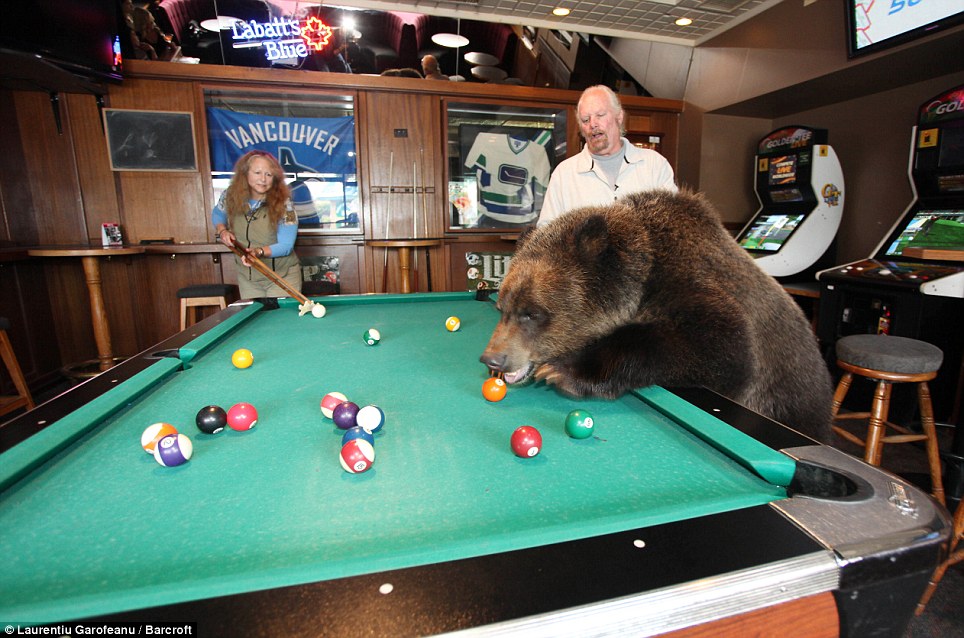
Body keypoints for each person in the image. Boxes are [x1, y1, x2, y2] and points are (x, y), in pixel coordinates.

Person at [538, 85, 677, 226]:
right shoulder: (564, 175)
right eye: (585, 120)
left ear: (619, 117)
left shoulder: (654, 165)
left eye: (600, 115)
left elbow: (674, 225)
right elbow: (545, 235)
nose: (593, 124)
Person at [213, 150, 302, 299]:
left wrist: (257, 252)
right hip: (248, 279)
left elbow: (286, 246)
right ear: (245, 173)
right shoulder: (230, 196)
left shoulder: (284, 204)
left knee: (278, 321)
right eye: (257, 172)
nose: (263, 179)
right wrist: (222, 231)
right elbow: (217, 214)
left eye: (268, 174)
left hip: (281, 277)